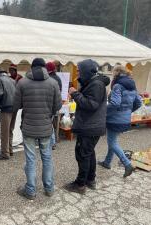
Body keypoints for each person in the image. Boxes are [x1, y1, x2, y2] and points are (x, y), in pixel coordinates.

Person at [13, 58, 62, 200]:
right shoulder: (53, 83)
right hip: (46, 127)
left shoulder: (22, 82)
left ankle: (30, 190)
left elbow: (17, 105)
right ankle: (49, 188)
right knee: (47, 158)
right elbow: (57, 106)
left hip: (28, 126)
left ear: (32, 67)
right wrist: (48, 113)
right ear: (44, 68)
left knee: (30, 159)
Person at [64, 59, 110, 194]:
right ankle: (90, 179)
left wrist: (75, 93)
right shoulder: (94, 82)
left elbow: (91, 104)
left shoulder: (96, 84)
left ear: (86, 70)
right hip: (92, 125)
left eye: (79, 70)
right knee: (89, 153)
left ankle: (80, 184)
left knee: (82, 154)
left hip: (90, 126)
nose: (77, 72)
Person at [99, 65, 142, 177]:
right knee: (113, 141)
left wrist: (103, 111)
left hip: (115, 119)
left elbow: (115, 103)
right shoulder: (132, 85)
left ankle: (127, 164)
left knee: (112, 142)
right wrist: (127, 111)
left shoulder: (118, 85)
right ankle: (107, 162)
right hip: (125, 119)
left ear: (117, 73)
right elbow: (139, 102)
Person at [0, 67, 16, 160]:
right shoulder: (13, 80)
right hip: (14, 108)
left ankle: (5, 153)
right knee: (10, 130)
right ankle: (10, 150)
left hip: (6, 108)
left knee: (5, 132)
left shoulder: (0, 80)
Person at [46, 61, 62, 151]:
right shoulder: (58, 78)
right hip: (55, 104)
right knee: (51, 124)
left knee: (49, 124)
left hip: (50, 105)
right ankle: (52, 142)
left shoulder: (50, 79)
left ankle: (52, 143)